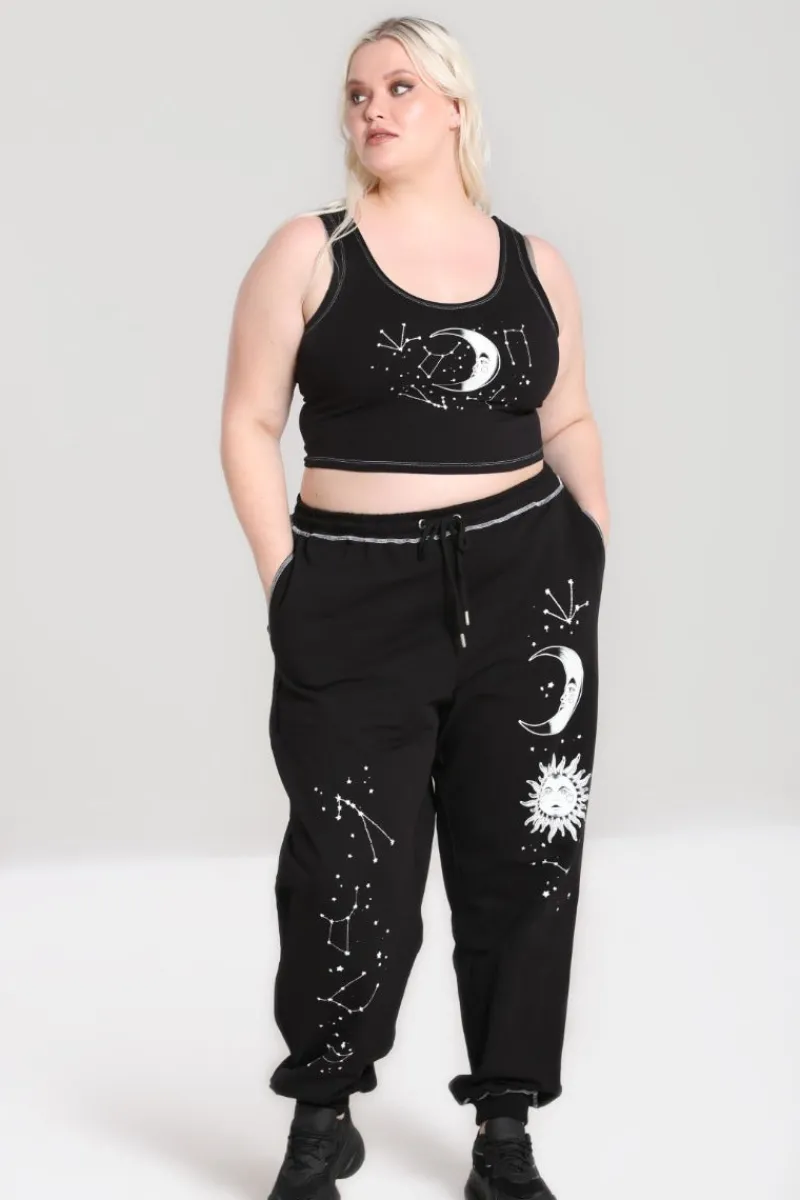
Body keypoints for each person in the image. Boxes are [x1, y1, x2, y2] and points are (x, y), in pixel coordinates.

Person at [220, 15, 609, 1200]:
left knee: (523, 860)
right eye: (355, 93)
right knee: (348, 865)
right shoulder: (310, 251)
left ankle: (504, 1131)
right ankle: (321, 1113)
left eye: (397, 87)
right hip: (354, 591)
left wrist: (587, 544)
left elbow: (567, 416)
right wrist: (288, 581)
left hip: (526, 585)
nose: (371, 109)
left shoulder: (534, 264)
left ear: (452, 106)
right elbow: (248, 423)